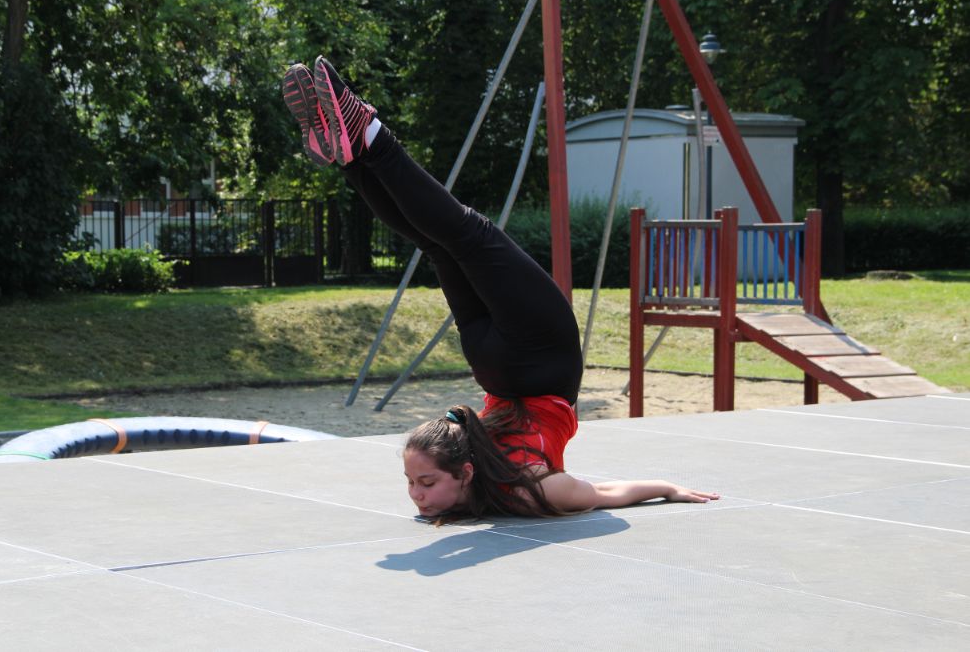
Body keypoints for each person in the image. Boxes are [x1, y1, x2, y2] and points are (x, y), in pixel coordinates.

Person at [284, 56, 719, 523]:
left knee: (465, 236)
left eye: (418, 482)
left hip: (541, 366)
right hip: (500, 363)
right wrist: (666, 488)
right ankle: (354, 155)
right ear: (466, 472)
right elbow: (605, 492)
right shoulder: (516, 487)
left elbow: (600, 494)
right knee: (445, 243)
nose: (416, 496)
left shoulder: (532, 491)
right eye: (420, 483)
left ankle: (363, 141)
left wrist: (662, 487)